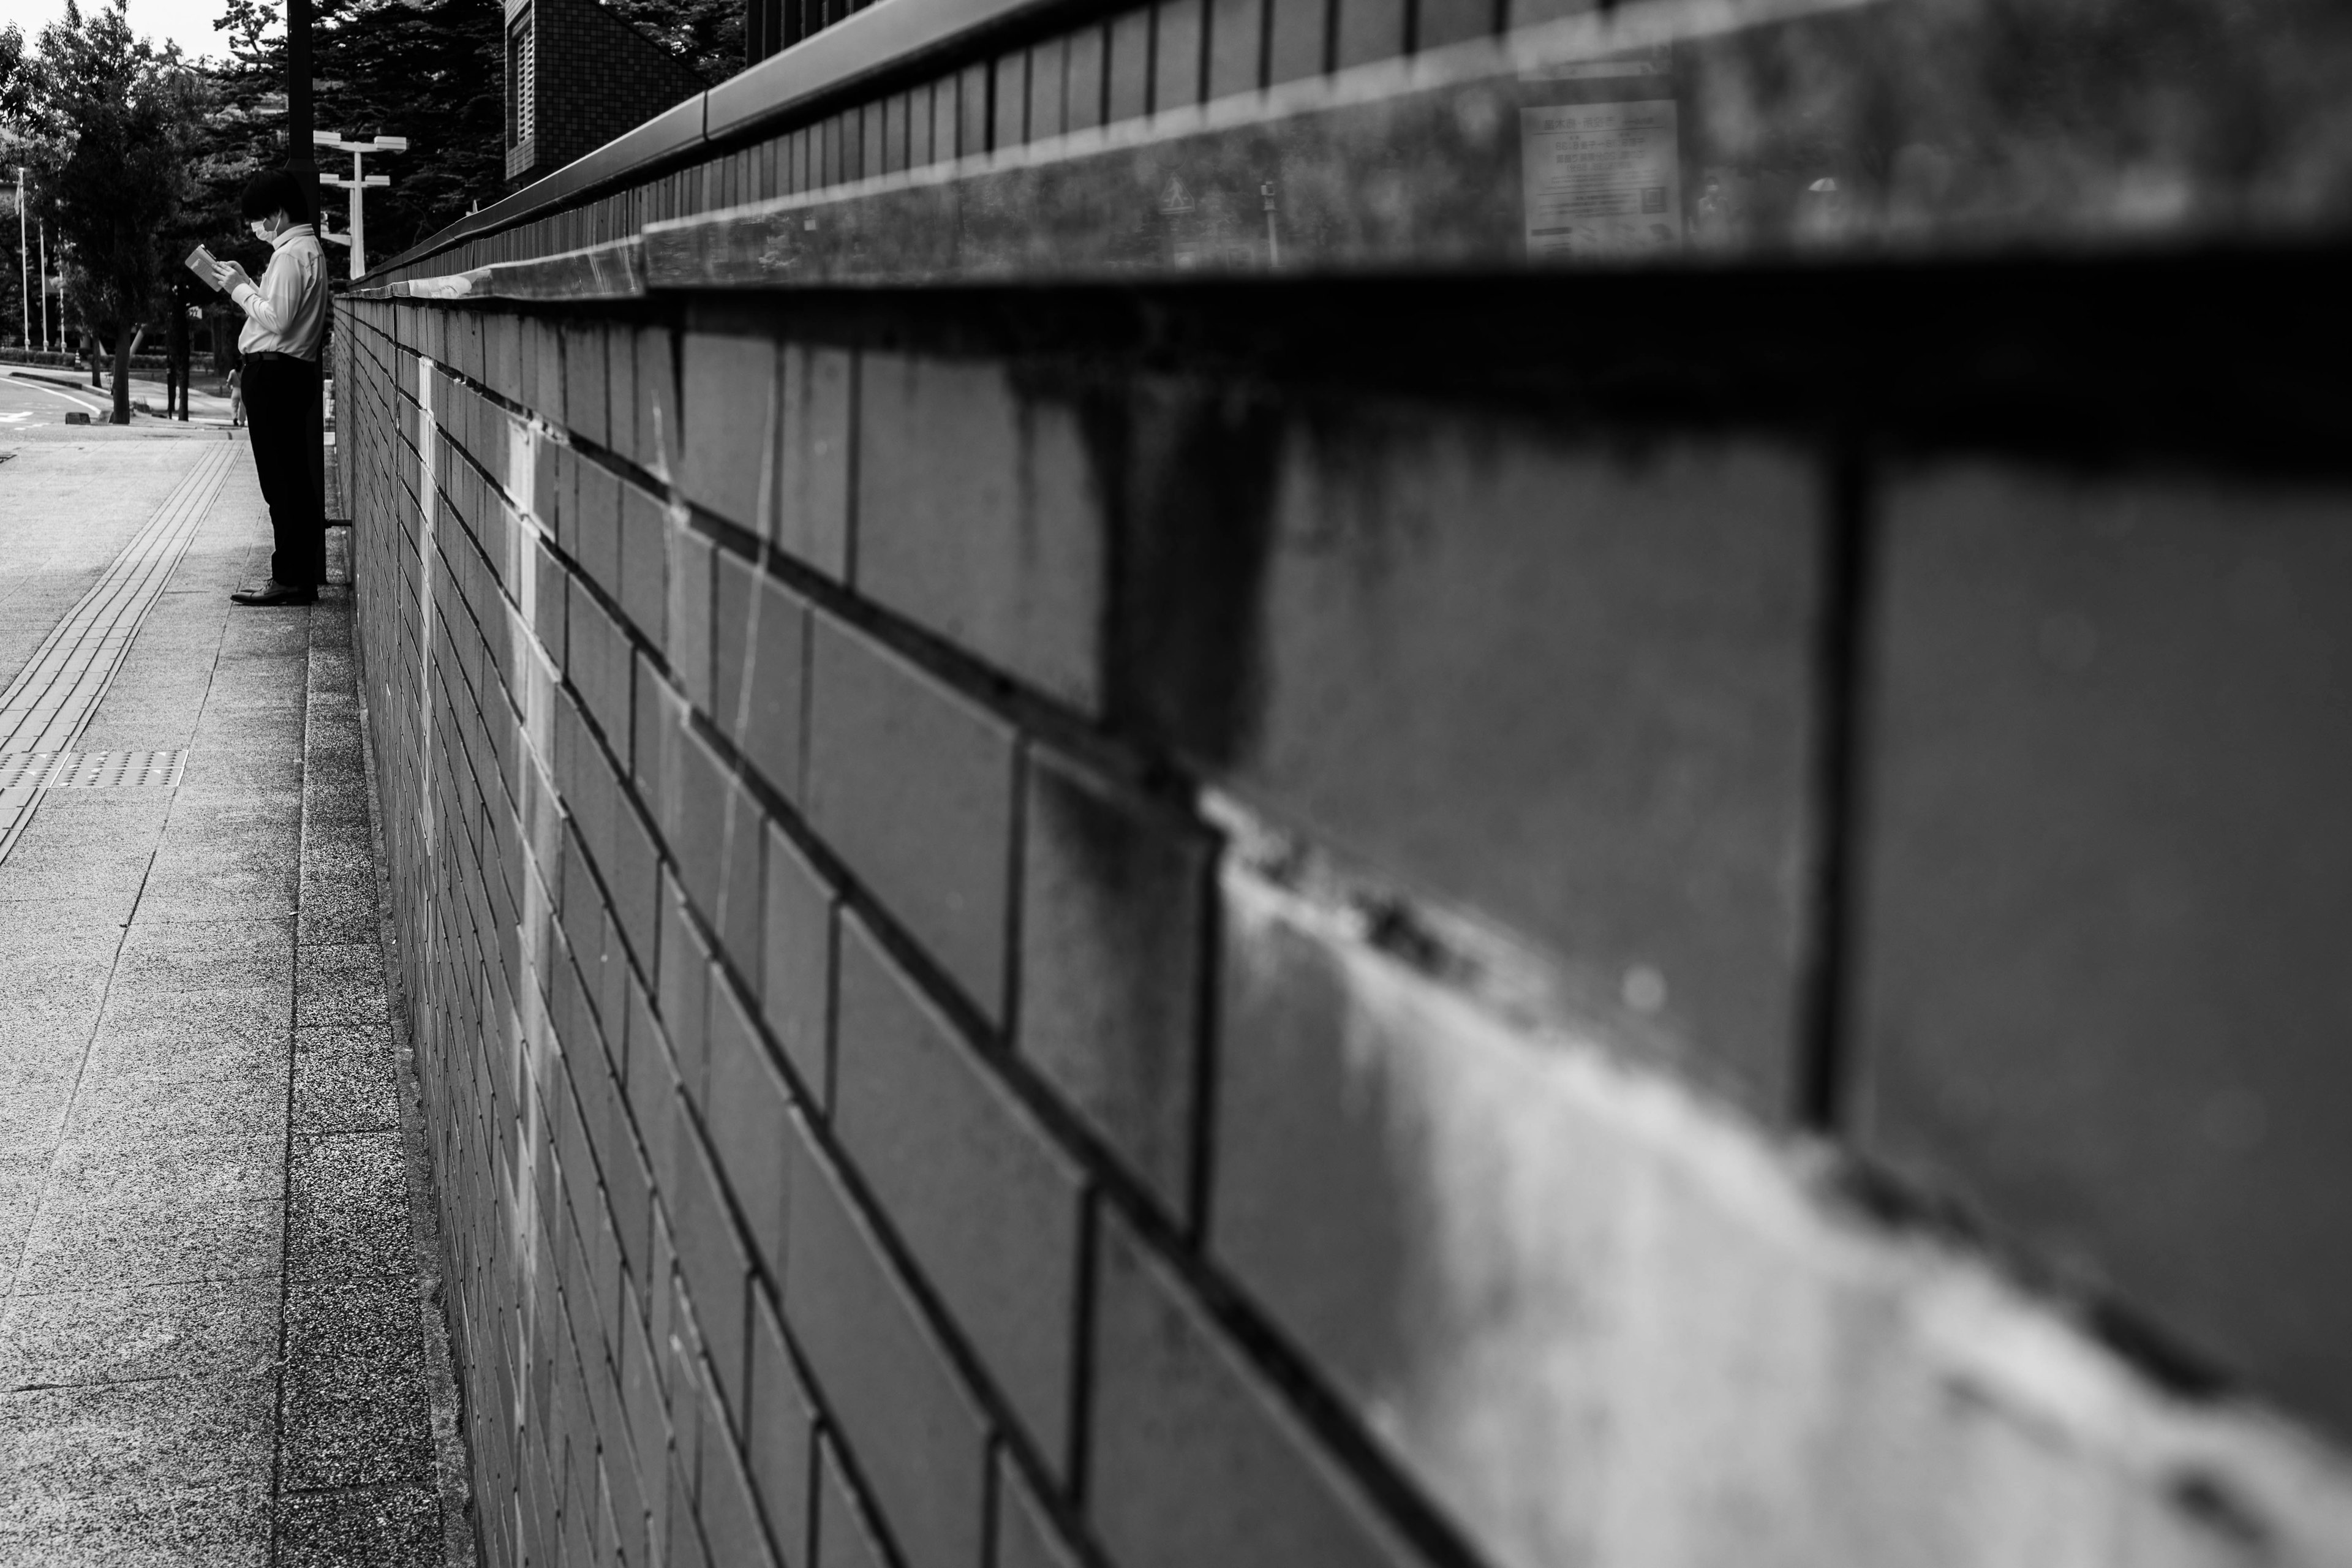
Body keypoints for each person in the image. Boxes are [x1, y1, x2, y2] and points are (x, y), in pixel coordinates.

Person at [202, 170, 328, 607]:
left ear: (277, 214)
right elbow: (279, 310)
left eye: (258, 218)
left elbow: (277, 320)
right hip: (286, 373)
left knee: (282, 482)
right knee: (291, 477)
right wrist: (249, 285)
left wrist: (239, 292)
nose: (256, 227)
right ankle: (296, 575)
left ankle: (291, 577)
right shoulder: (302, 251)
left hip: (275, 375)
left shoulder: (293, 255)